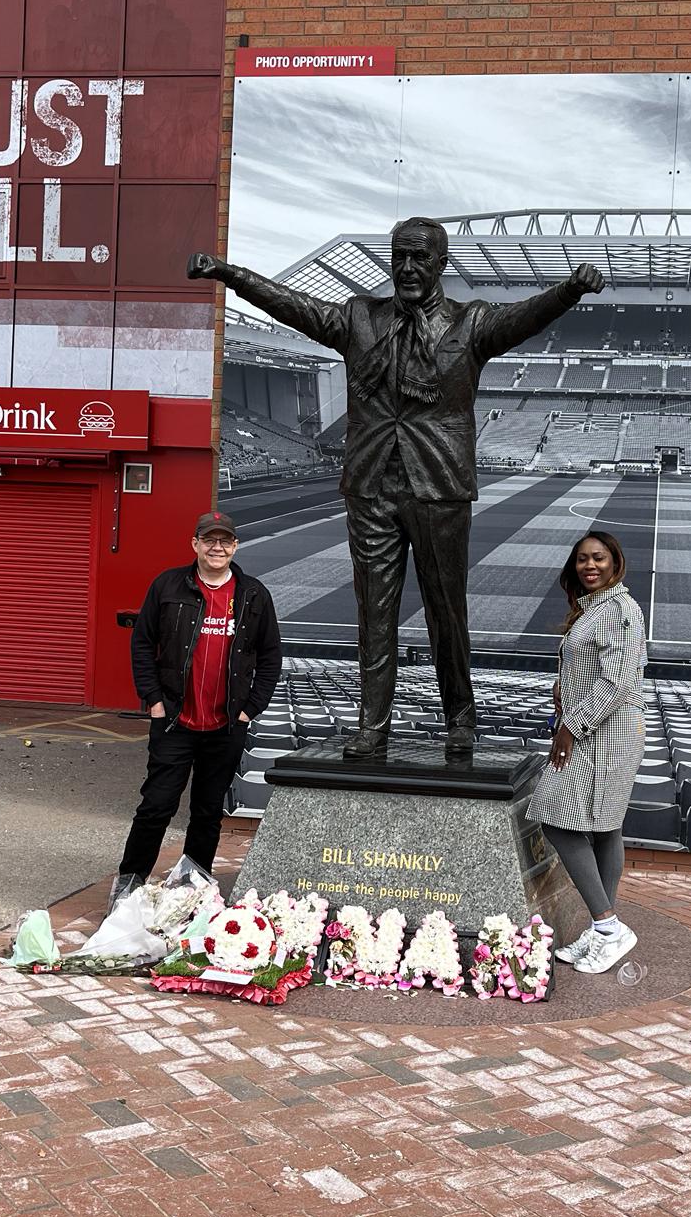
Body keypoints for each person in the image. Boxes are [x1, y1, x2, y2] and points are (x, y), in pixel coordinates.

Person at [188, 218, 604, 759]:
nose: (407, 268)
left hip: (438, 484)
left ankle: (460, 718)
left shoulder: (470, 323)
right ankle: (373, 726)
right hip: (370, 485)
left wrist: (569, 289)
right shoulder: (361, 316)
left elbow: (521, 319)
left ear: (441, 263)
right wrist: (228, 273)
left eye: (419, 258)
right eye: (399, 257)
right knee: (373, 612)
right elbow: (292, 305)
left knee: (446, 609)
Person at [108, 511, 283, 911]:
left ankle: (193, 892)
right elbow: (142, 644)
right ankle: (129, 885)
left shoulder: (253, 595)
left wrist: (249, 709)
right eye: (209, 540)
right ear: (195, 544)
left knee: (207, 813)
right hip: (174, 722)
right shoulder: (168, 586)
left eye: (225, 541)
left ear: (235, 546)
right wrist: (153, 700)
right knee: (156, 807)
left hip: (225, 726)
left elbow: (271, 655)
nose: (217, 547)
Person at [527, 530, 646, 974]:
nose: (588, 566)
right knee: (605, 826)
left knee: (557, 820)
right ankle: (604, 930)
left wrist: (570, 728)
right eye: (581, 559)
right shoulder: (594, 609)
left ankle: (609, 926)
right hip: (599, 728)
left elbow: (616, 683)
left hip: (605, 732)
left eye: (598, 558)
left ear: (615, 562)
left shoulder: (619, 610)